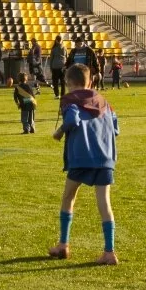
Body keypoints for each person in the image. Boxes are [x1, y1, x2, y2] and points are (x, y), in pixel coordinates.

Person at [49, 63, 120, 266]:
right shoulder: (104, 102)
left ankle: (63, 244)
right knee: (104, 203)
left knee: (68, 197)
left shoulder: (71, 101)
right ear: (90, 81)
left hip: (81, 157)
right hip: (105, 158)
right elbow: (116, 128)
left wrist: (59, 131)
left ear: (68, 83)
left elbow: (72, 120)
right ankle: (109, 251)